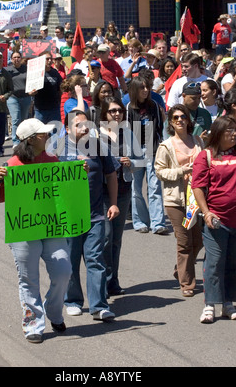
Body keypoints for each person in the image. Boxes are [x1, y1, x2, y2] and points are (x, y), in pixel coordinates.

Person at [0, 118, 72, 343]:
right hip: (24, 230)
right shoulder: (12, 165)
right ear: (30, 140)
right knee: (29, 278)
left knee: (63, 269)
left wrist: (76, 174)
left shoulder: (52, 160)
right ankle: (33, 324)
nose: (47, 136)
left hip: (51, 225)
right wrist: (0, 181)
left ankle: (54, 312)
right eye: (43, 134)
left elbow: (64, 190)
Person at [57, 110, 119, 320]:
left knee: (95, 259)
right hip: (69, 217)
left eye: (87, 125)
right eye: (78, 125)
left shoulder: (98, 147)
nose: (84, 129)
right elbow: (48, 181)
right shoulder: (57, 150)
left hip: (95, 216)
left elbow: (111, 175)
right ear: (66, 130)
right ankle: (72, 300)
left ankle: (99, 306)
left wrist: (113, 204)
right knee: (71, 260)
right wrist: (71, 171)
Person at [192, 116, 236, 323]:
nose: (234, 133)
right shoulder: (206, 156)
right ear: (218, 132)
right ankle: (209, 305)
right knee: (215, 261)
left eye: (235, 130)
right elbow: (197, 186)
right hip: (216, 220)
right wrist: (206, 212)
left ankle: (228, 303)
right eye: (229, 130)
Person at [155, 105, 204, 297]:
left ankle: (180, 269)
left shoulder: (198, 141)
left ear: (188, 120)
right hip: (175, 200)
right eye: (175, 118)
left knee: (198, 241)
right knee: (184, 242)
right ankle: (187, 284)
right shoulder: (166, 146)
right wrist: (181, 171)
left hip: (196, 199)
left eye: (183, 116)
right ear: (171, 122)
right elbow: (160, 171)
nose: (180, 120)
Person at [100, 97, 143, 296]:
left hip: (124, 189)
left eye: (119, 111)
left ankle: (112, 281)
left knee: (116, 240)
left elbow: (141, 161)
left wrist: (130, 162)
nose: (117, 114)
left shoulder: (128, 133)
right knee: (105, 238)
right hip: (103, 192)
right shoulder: (95, 136)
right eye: (112, 111)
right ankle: (101, 281)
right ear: (104, 114)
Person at [127, 74, 168, 234]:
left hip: (152, 149)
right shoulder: (129, 108)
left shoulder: (155, 106)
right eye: (142, 87)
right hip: (135, 151)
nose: (145, 90)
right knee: (136, 188)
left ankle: (158, 223)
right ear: (135, 89)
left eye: (147, 87)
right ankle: (140, 222)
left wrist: (162, 149)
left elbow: (160, 129)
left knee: (155, 187)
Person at [5, 51, 33, 147]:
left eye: (18, 57)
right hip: (13, 98)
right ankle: (16, 141)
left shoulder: (27, 69)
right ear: (11, 59)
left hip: (25, 97)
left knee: (24, 119)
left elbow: (32, 81)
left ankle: (23, 139)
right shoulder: (8, 71)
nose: (16, 59)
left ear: (21, 58)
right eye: (14, 57)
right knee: (16, 118)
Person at [33, 52, 63, 123]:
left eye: (50, 59)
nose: (49, 60)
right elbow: (30, 90)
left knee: (55, 132)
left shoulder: (55, 73)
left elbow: (60, 89)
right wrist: (32, 92)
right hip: (40, 110)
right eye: (47, 59)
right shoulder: (35, 73)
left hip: (54, 109)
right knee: (41, 133)